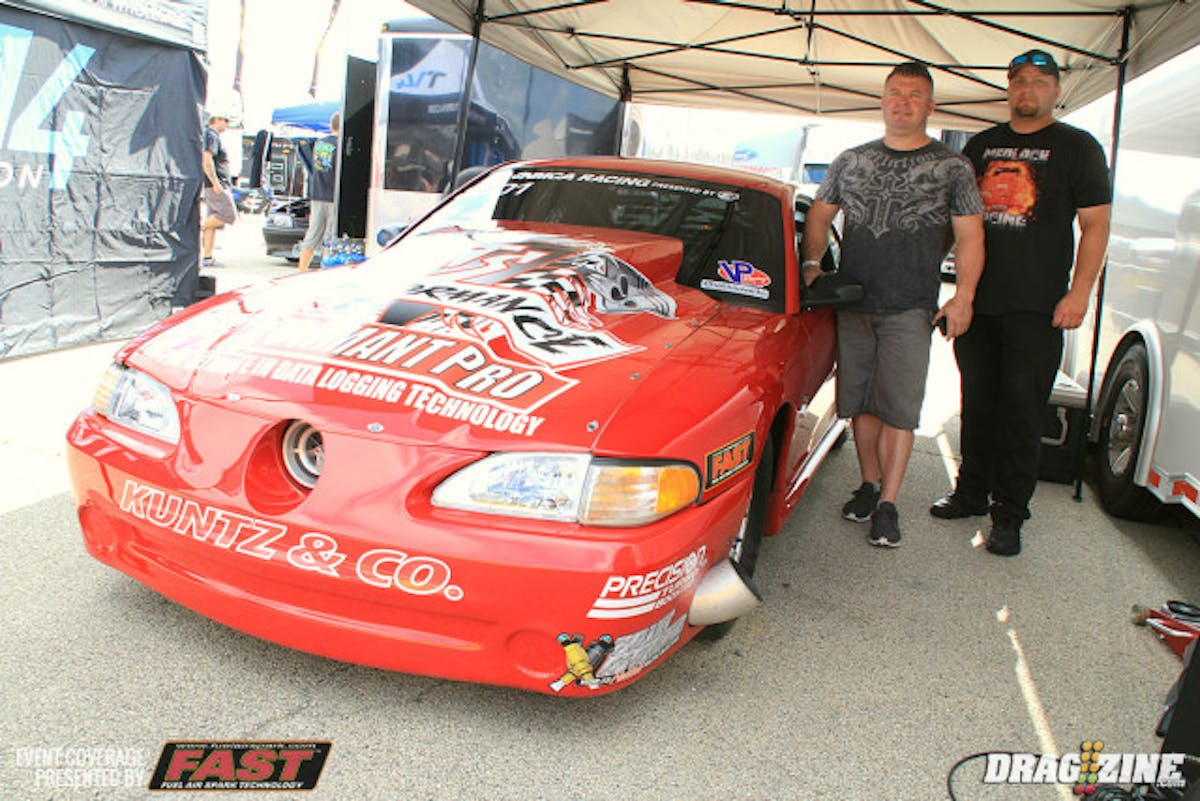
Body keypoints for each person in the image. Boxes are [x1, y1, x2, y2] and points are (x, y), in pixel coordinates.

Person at [930, 50, 1111, 557]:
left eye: (1039, 82)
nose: (1027, 91)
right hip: (977, 303)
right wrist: (937, 284)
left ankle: (1009, 515)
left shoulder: (1078, 147)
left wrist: (1080, 294)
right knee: (976, 405)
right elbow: (956, 224)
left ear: (1056, 91)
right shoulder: (982, 146)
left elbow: (1095, 227)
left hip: (1038, 307)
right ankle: (969, 493)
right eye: (1019, 82)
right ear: (1008, 89)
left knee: (1021, 413)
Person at [802, 62, 985, 548]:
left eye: (914, 95)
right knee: (860, 403)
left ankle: (889, 505)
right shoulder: (851, 160)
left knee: (900, 409)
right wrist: (812, 267)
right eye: (894, 93)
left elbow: (970, 237)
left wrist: (962, 297)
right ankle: (866, 485)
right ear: (882, 101)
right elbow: (818, 217)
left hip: (910, 306)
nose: (902, 102)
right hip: (854, 301)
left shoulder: (952, 167)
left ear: (930, 106)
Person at [298, 112, 341, 272]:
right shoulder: (341, 144)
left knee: (313, 233)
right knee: (330, 237)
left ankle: (301, 270)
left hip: (316, 192)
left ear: (331, 126)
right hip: (332, 195)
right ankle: (325, 271)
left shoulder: (320, 143)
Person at [201, 112, 237, 268]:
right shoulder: (211, 135)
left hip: (214, 184)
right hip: (216, 184)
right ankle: (200, 226)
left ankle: (207, 257)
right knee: (228, 214)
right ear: (217, 120)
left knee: (214, 219)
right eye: (226, 121)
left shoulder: (210, 135)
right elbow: (207, 159)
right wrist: (215, 182)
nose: (227, 125)